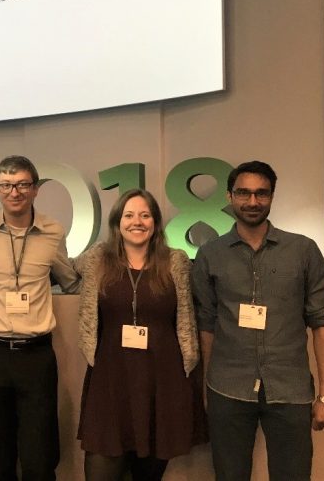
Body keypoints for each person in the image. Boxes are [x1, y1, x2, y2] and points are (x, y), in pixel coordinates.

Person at [191, 161, 324, 481]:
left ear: (272, 197)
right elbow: (206, 323)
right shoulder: (210, 255)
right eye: (243, 193)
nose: (252, 202)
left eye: (261, 194)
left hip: (290, 389)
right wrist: (206, 388)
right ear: (230, 197)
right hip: (227, 388)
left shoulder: (303, 250)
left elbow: (321, 322)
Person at [75, 189, 205, 481]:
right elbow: (69, 270)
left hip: (162, 382)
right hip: (110, 380)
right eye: (129, 215)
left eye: (145, 215)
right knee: (100, 470)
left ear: (156, 223)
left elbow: (185, 315)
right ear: (117, 222)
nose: (137, 222)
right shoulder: (97, 259)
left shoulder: (176, 261)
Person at [0, 155, 79, 481]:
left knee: (39, 456)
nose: (14, 192)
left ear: (35, 189)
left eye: (22, 185)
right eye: (6, 185)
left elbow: (68, 278)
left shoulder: (52, 231)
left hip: (36, 355)